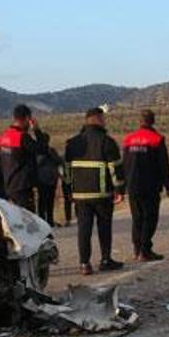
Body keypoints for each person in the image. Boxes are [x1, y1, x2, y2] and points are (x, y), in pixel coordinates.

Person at [64, 107, 125, 275]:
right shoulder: (107, 141)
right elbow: (116, 168)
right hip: (102, 194)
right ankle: (106, 260)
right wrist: (119, 189)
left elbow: (66, 171)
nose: (105, 121)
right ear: (98, 119)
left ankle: (84, 264)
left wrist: (68, 191)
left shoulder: (72, 143)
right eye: (103, 118)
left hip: (80, 195)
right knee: (104, 227)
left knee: (84, 229)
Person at [122, 108, 169, 261]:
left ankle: (137, 249)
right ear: (153, 121)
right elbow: (163, 164)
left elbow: (124, 163)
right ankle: (145, 250)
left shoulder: (129, 139)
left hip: (132, 185)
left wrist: (121, 186)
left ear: (139, 121)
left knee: (136, 218)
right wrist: (168, 184)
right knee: (149, 217)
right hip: (150, 185)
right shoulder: (157, 139)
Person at [0, 104, 48, 210]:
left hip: (9, 185)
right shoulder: (22, 137)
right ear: (28, 118)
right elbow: (43, 149)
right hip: (23, 186)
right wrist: (37, 130)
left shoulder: (4, 136)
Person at [35, 137, 64, 226]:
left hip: (51, 180)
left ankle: (50, 220)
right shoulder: (37, 152)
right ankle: (42, 221)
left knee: (50, 202)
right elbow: (35, 164)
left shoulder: (51, 151)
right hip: (42, 181)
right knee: (42, 202)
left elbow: (59, 161)